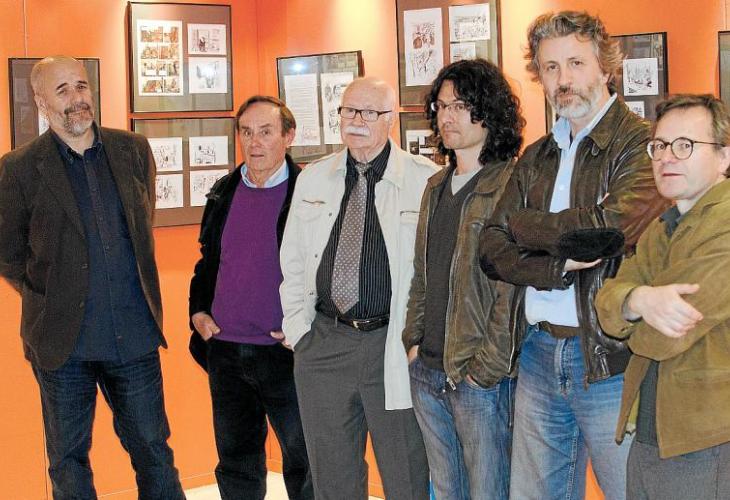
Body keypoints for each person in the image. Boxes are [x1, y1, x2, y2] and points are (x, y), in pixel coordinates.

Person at [480, 12, 668, 499]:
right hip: (538, 352)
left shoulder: (642, 145)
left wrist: (524, 224)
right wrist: (555, 266)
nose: (563, 79)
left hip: (610, 357)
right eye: (550, 67)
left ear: (605, 67)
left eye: (575, 63)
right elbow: (491, 247)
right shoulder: (537, 156)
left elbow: (605, 231)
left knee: (631, 491)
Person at [0, 56, 184, 499]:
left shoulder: (132, 150)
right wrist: (51, 295)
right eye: (62, 90)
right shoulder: (19, 168)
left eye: (81, 86)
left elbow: (142, 223)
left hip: (134, 338)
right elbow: (8, 254)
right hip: (63, 346)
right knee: (68, 463)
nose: (77, 98)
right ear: (41, 102)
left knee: (154, 453)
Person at [279, 77, 436, 499]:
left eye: (369, 112)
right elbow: (292, 260)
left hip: (393, 345)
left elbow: (437, 273)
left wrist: (419, 340)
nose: (356, 121)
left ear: (391, 119)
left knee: (406, 476)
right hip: (324, 344)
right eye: (349, 110)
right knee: (333, 481)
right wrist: (300, 332)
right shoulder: (314, 178)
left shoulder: (425, 181)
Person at [595, 94, 730, 500]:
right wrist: (639, 301)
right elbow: (605, 306)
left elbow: (666, 335)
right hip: (650, 432)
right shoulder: (661, 227)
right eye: (659, 145)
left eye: (685, 145)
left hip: (706, 439)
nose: (667, 157)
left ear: (724, 156)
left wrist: (629, 309)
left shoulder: (724, 224)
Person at [402, 58, 523, 500]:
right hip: (427, 369)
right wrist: (413, 342)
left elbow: (513, 289)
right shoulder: (435, 186)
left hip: (479, 379)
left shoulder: (512, 184)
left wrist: (485, 369)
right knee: (447, 490)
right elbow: (423, 273)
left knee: (490, 491)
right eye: (441, 106)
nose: (447, 116)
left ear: (488, 112)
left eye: (460, 106)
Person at [188, 96, 312, 500]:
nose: (254, 142)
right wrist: (198, 311)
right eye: (246, 132)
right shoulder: (223, 191)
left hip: (285, 353)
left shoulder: (308, 195)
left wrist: (304, 325)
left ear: (288, 136)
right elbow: (208, 260)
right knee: (236, 464)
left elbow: (324, 269)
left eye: (265, 132)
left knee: (306, 463)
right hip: (225, 351)